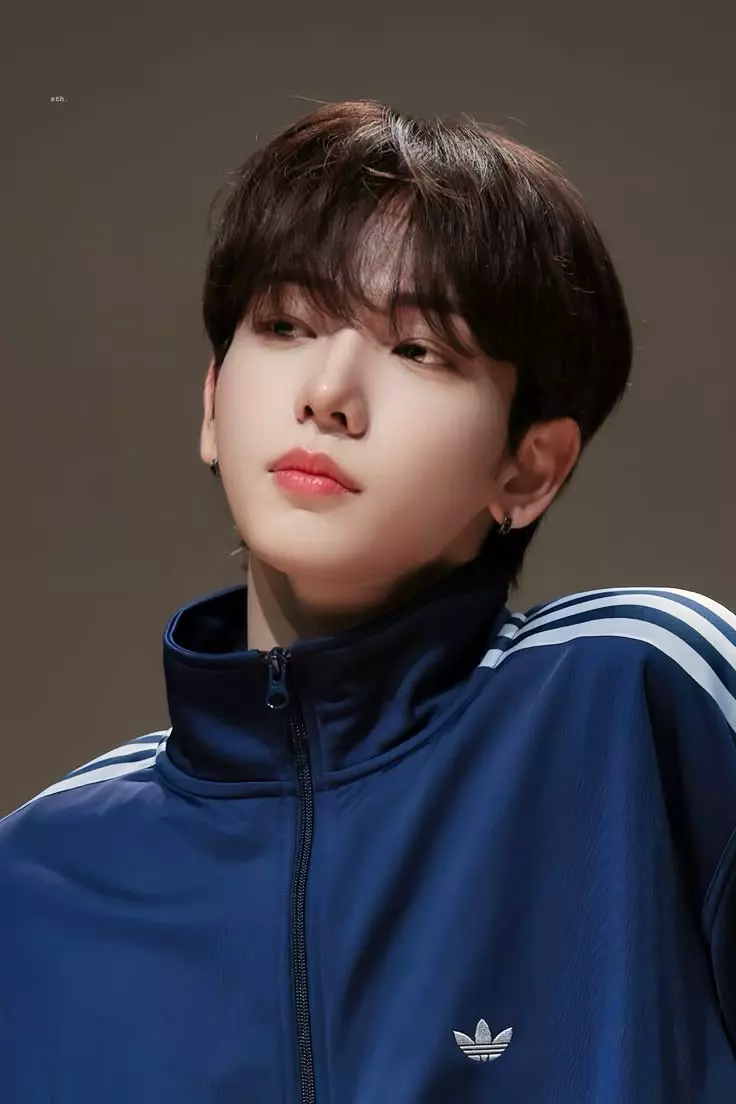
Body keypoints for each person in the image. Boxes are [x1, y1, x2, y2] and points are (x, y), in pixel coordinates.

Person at [1, 99, 734, 1103]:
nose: (328, 393)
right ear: (213, 402)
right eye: (285, 324)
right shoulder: (38, 873)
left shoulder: (642, 697)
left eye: (419, 348)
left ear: (529, 469)